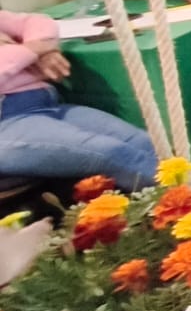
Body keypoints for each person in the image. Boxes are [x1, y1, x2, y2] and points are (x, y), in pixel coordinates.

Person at [0, 11, 157, 190]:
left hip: (45, 104)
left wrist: (43, 51)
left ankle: (176, 194)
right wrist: (32, 50)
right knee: (110, 154)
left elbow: (38, 21)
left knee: (144, 142)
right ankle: (180, 198)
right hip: (6, 122)